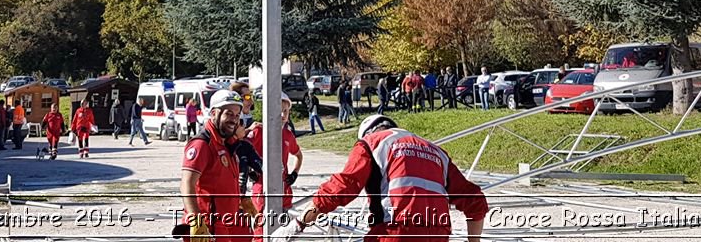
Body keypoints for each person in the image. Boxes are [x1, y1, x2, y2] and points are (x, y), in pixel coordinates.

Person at [299, 114, 489, 242]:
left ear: (367, 133)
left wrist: (300, 222)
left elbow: (344, 186)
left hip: (395, 232)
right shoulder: (437, 152)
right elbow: (475, 202)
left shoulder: (371, 143)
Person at [176, 89, 253, 242]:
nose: (234, 120)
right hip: (208, 227)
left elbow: (222, 183)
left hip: (228, 223)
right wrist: (196, 222)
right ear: (213, 114)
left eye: (237, 115)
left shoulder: (227, 144)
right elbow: (186, 185)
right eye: (228, 114)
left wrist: (241, 200)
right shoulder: (202, 144)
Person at [246, 92, 303, 231]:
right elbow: (240, 151)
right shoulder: (260, 131)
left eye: (286, 111)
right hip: (262, 187)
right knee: (262, 230)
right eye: (279, 111)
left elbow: (299, 155)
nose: (283, 115)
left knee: (284, 231)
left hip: (284, 189)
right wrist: (249, 171)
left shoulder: (288, 135)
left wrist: (295, 173)